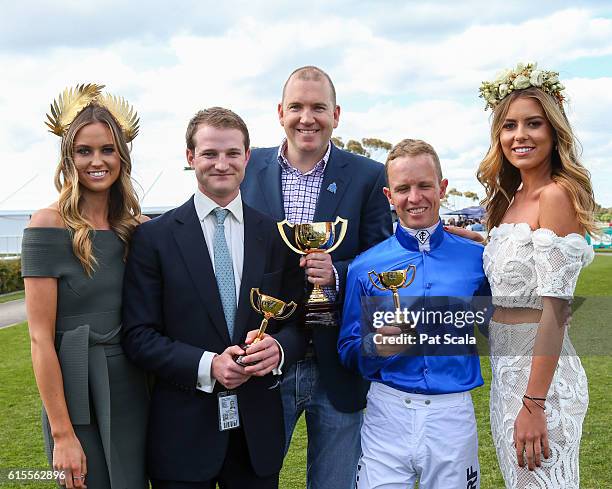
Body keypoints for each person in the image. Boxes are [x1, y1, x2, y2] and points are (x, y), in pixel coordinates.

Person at [121, 107, 305, 489]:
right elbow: (138, 335)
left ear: (247, 157)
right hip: (183, 436)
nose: (221, 164)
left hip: (256, 436)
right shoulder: (154, 238)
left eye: (232, 153)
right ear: (190, 158)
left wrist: (280, 350)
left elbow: (298, 322)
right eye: (209, 153)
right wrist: (208, 365)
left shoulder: (274, 235)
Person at [241, 66, 392, 489]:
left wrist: (338, 274)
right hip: (265, 355)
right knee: (254, 476)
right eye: (297, 107)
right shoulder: (247, 170)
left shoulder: (367, 175)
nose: (307, 118)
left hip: (338, 363)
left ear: (337, 114)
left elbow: (382, 260)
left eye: (318, 108)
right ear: (280, 112)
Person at [338, 139, 489, 489]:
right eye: (403, 189)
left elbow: (497, 330)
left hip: (451, 414)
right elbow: (348, 349)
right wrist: (375, 346)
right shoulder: (365, 267)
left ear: (442, 188)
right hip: (387, 411)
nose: (415, 197)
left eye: (424, 185)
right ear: (390, 196)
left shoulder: (476, 259)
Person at [21, 84, 149, 488]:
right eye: (84, 151)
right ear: (68, 158)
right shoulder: (46, 226)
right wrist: (62, 434)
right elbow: (40, 338)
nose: (97, 161)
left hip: (138, 386)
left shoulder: (140, 230)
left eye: (107, 149)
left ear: (122, 156)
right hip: (77, 395)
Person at [478, 63, 595, 488]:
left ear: (554, 130)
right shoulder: (509, 200)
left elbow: (556, 311)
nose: (519, 135)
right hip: (507, 375)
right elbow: (519, 263)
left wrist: (534, 404)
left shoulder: (557, 194)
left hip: (541, 383)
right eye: (509, 126)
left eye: (533, 123)